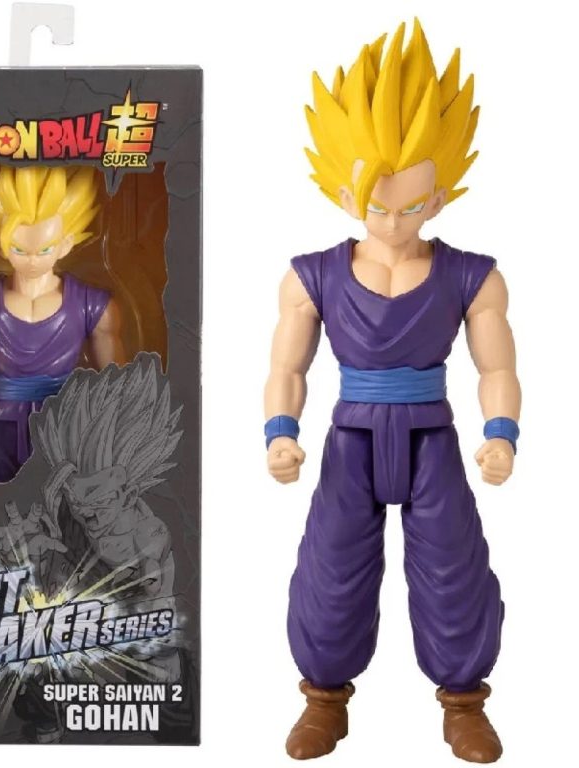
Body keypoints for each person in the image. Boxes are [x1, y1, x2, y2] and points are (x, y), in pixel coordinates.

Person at [264, 19, 520, 763]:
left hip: (432, 435)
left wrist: (501, 434)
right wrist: (280, 431)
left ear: (440, 193)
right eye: (379, 205)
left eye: (413, 205)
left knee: (453, 568)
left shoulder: (472, 275)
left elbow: (497, 369)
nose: (395, 221)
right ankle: (323, 697)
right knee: (331, 568)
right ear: (344, 190)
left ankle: (464, 702)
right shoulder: (311, 275)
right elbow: (287, 366)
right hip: (351, 436)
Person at [0, 165, 125, 484]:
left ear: (66, 244)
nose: (33, 260)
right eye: (19, 249)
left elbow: (118, 383)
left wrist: (116, 440)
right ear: (0, 243)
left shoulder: (93, 305)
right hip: (0, 430)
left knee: (62, 505)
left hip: (64, 430)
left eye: (45, 249)